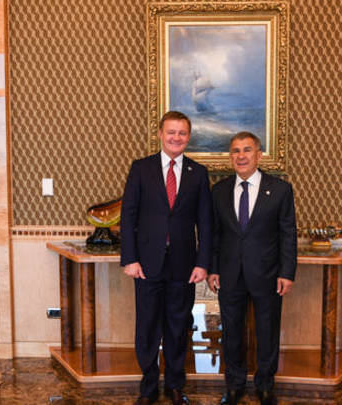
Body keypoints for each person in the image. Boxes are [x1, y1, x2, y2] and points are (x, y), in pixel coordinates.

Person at [120, 111, 212, 405]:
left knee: (177, 326)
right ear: (160, 133)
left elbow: (205, 222)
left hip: (184, 265)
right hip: (146, 264)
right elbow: (128, 216)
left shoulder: (198, 173)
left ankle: (175, 385)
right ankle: (148, 387)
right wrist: (130, 259)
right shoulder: (141, 168)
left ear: (188, 137)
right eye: (171, 132)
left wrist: (203, 263)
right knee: (147, 327)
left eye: (182, 133)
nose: (176, 137)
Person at [207, 132, 297, 405]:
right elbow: (215, 234)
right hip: (229, 273)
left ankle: (265, 385)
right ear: (230, 157)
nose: (241, 156)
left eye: (247, 150)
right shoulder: (219, 191)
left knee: (267, 331)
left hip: (267, 274)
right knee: (232, 331)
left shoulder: (280, 189)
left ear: (258, 155)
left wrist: (287, 272)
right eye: (235, 151)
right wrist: (213, 269)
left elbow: (288, 234)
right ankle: (234, 385)